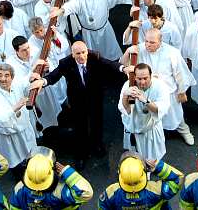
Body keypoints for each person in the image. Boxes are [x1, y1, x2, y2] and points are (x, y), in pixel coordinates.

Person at [30, 41, 129, 170]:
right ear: (72, 54)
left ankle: (97, 144)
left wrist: (123, 68)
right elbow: (55, 75)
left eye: (83, 53)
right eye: (78, 54)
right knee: (79, 127)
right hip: (77, 100)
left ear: (87, 51)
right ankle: (81, 154)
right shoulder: (66, 63)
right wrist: (42, 82)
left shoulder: (95, 57)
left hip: (95, 98)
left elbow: (109, 64)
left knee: (97, 122)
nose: (81, 56)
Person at [122, 29, 196, 145]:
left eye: (152, 42)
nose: (147, 45)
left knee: (175, 115)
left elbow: (180, 74)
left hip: (168, 91)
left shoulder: (172, 53)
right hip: (147, 90)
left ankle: (184, 131)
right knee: (151, 117)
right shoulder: (139, 49)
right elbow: (124, 64)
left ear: (160, 41)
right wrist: (128, 52)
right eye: (146, 41)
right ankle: (156, 136)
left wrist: (182, 92)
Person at [51, 0, 130, 60]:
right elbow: (71, 5)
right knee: (92, 56)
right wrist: (60, 11)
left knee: (110, 52)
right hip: (88, 33)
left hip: (104, 30)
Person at [0, 63, 37, 178]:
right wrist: (14, 108)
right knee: (15, 161)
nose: (3, 79)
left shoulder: (16, 84)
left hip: (23, 128)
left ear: (12, 77)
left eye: (6, 75)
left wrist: (34, 70)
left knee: (30, 154)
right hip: (9, 135)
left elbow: (25, 81)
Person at [10, 146, 93, 209]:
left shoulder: (19, 189)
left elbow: (14, 207)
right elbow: (86, 192)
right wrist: (66, 172)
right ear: (51, 172)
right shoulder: (60, 192)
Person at [8, 36, 61, 133]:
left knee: (53, 116)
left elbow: (53, 69)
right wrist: (31, 72)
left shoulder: (37, 51)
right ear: (16, 51)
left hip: (45, 91)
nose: (28, 52)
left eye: (28, 48)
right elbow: (17, 84)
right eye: (24, 50)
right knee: (40, 124)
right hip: (31, 96)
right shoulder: (11, 64)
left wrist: (47, 69)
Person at [118, 63, 170, 161]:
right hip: (134, 128)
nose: (142, 82)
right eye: (139, 79)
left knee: (153, 160)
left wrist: (144, 100)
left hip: (150, 130)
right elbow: (127, 110)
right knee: (135, 159)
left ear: (151, 76)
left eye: (145, 78)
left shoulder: (160, 86)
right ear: (135, 77)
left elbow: (159, 109)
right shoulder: (129, 85)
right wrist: (126, 96)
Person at [99, 152, 183, 209]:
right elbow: (177, 178)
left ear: (119, 173)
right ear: (144, 172)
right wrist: (157, 167)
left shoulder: (111, 193)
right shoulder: (157, 190)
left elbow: (102, 205)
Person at [28, 17, 70, 107]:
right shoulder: (31, 43)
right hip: (49, 73)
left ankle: (67, 102)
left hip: (59, 67)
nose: (40, 34)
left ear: (43, 27)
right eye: (36, 32)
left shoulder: (50, 31)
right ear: (32, 32)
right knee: (56, 96)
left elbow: (64, 46)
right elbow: (34, 60)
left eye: (41, 30)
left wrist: (55, 38)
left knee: (65, 88)